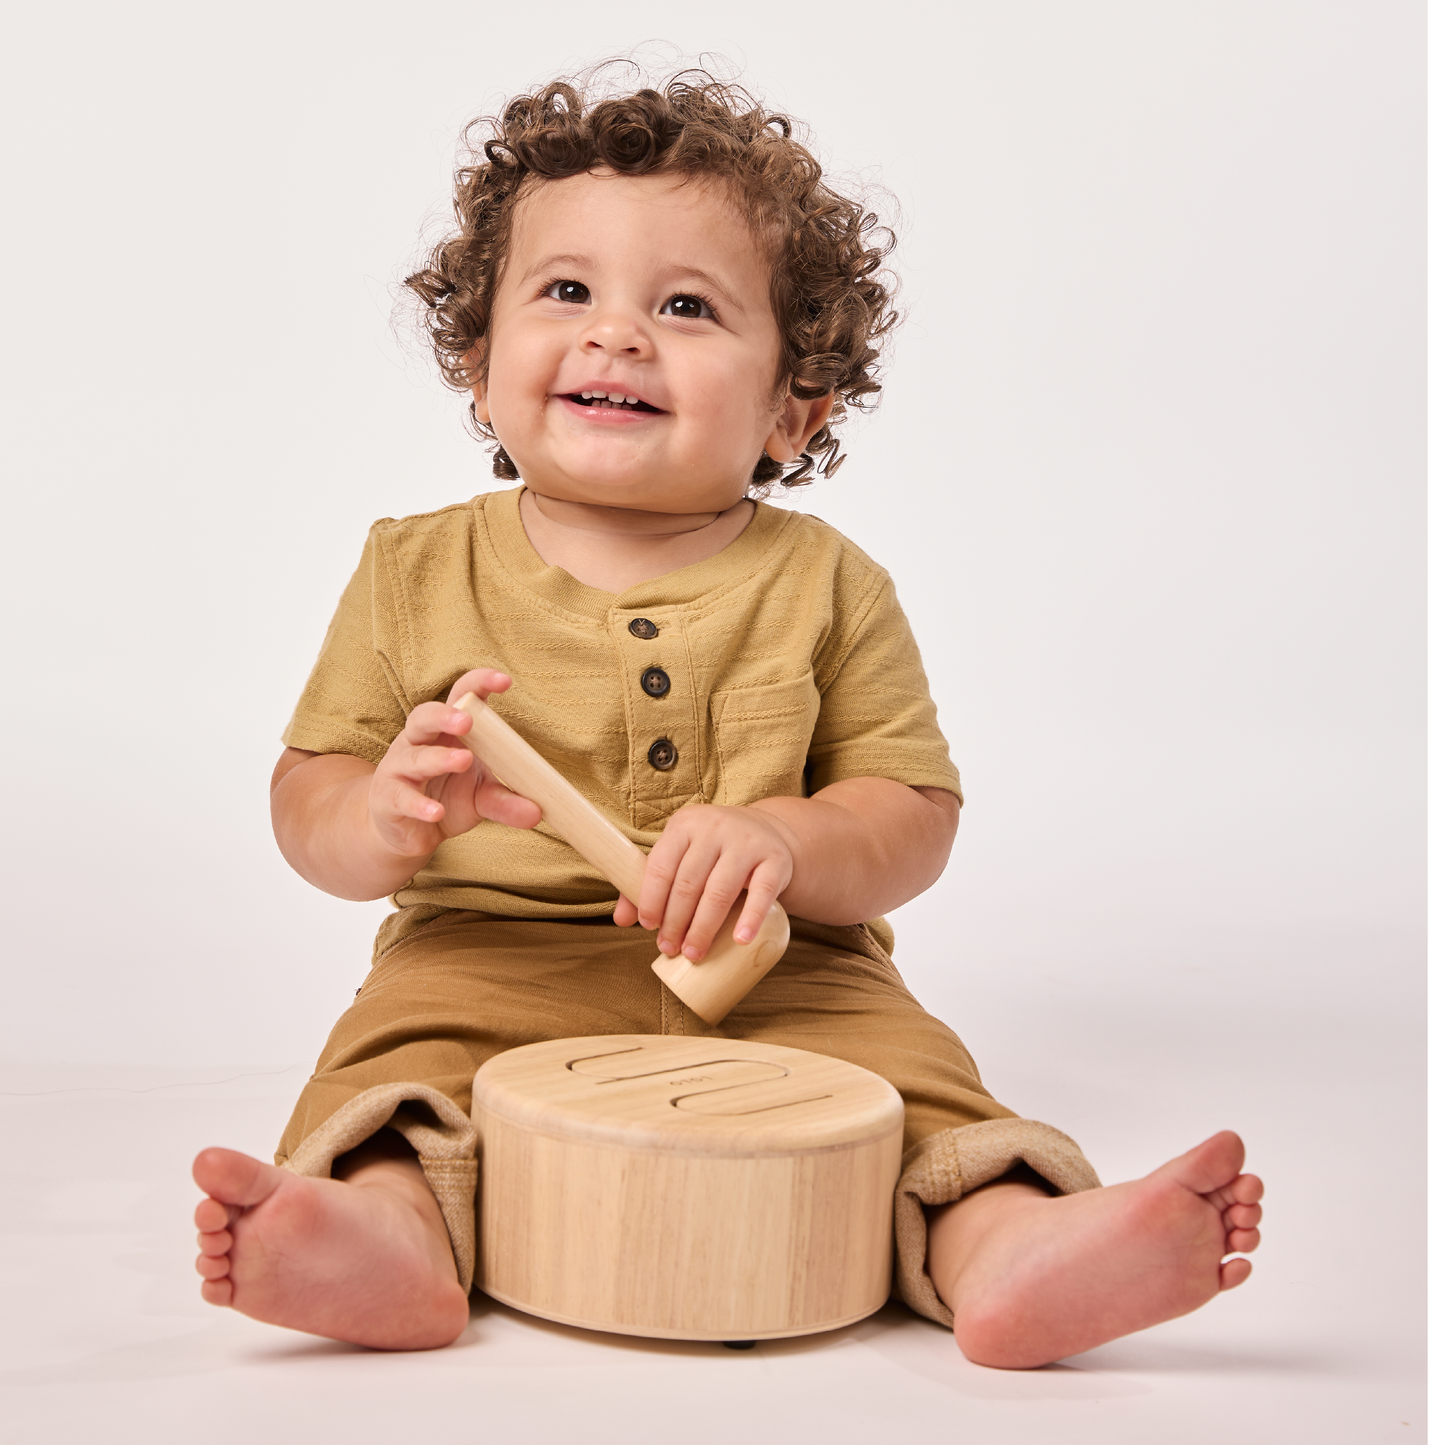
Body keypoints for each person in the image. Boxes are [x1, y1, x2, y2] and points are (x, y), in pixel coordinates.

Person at [192, 71, 1263, 1367]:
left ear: (791, 409)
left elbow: (911, 817)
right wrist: (381, 816)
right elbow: (306, 796)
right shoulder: (413, 569)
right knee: (391, 1088)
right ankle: (390, 1242)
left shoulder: (825, 584)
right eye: (566, 291)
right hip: (481, 958)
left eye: (687, 306)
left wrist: (790, 842)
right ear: (478, 364)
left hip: (791, 973)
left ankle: (1012, 1247)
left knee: (917, 1091)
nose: (618, 336)